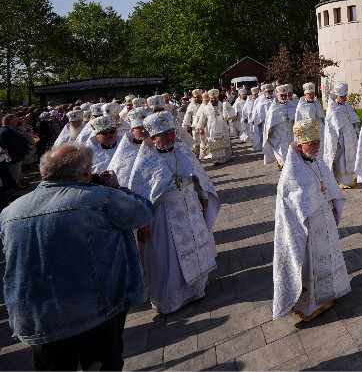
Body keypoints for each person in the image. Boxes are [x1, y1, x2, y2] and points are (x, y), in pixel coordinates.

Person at [0, 143, 155, 371]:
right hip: (93, 309)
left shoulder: (9, 212)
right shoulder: (99, 199)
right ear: (86, 171)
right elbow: (143, 213)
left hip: (37, 316)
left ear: (44, 173)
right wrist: (117, 188)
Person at [116, 111, 219, 314]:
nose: (170, 137)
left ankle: (196, 289)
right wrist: (141, 225)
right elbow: (138, 196)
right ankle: (171, 298)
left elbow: (197, 175)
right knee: (168, 257)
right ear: (153, 137)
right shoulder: (145, 161)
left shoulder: (182, 150)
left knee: (195, 247)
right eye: (164, 134)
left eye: (172, 132)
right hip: (163, 216)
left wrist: (203, 195)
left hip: (189, 209)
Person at [273, 118, 352, 321]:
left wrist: (334, 205)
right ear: (300, 146)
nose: (317, 146)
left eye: (318, 141)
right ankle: (309, 305)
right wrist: (301, 231)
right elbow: (290, 210)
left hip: (324, 219)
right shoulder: (291, 173)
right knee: (311, 263)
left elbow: (328, 184)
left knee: (328, 258)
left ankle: (330, 292)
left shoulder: (316, 160)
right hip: (307, 227)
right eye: (312, 143)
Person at [323, 82, 361, 187]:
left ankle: (349, 178)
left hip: (350, 136)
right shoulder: (332, 109)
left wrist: (357, 132)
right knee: (341, 160)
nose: (344, 98)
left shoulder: (346, 105)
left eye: (345, 96)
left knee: (350, 158)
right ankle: (342, 181)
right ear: (336, 96)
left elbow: (353, 120)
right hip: (340, 138)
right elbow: (331, 129)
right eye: (342, 97)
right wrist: (335, 142)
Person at [194, 89, 234, 165]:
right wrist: (200, 128)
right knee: (214, 143)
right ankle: (217, 160)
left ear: (217, 98)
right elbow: (202, 119)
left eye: (215, 98)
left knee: (224, 141)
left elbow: (229, 113)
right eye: (212, 98)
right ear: (210, 98)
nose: (213, 100)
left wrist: (230, 114)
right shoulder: (206, 108)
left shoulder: (222, 105)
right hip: (211, 129)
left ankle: (226, 158)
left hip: (223, 128)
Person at [264, 84, 296, 167]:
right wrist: (269, 131)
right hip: (279, 132)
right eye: (282, 96)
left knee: (291, 148)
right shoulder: (274, 107)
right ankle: (283, 165)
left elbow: (296, 118)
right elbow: (269, 122)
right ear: (277, 96)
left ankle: (290, 164)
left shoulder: (292, 105)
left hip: (290, 131)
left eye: (285, 95)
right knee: (281, 150)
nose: (284, 97)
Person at [0, 114, 31, 194]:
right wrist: (25, 151)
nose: (17, 120)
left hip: (17, 156)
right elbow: (13, 146)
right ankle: (14, 194)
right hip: (14, 157)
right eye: (15, 119)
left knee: (16, 175)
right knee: (14, 176)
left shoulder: (10, 129)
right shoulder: (6, 131)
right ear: (10, 121)